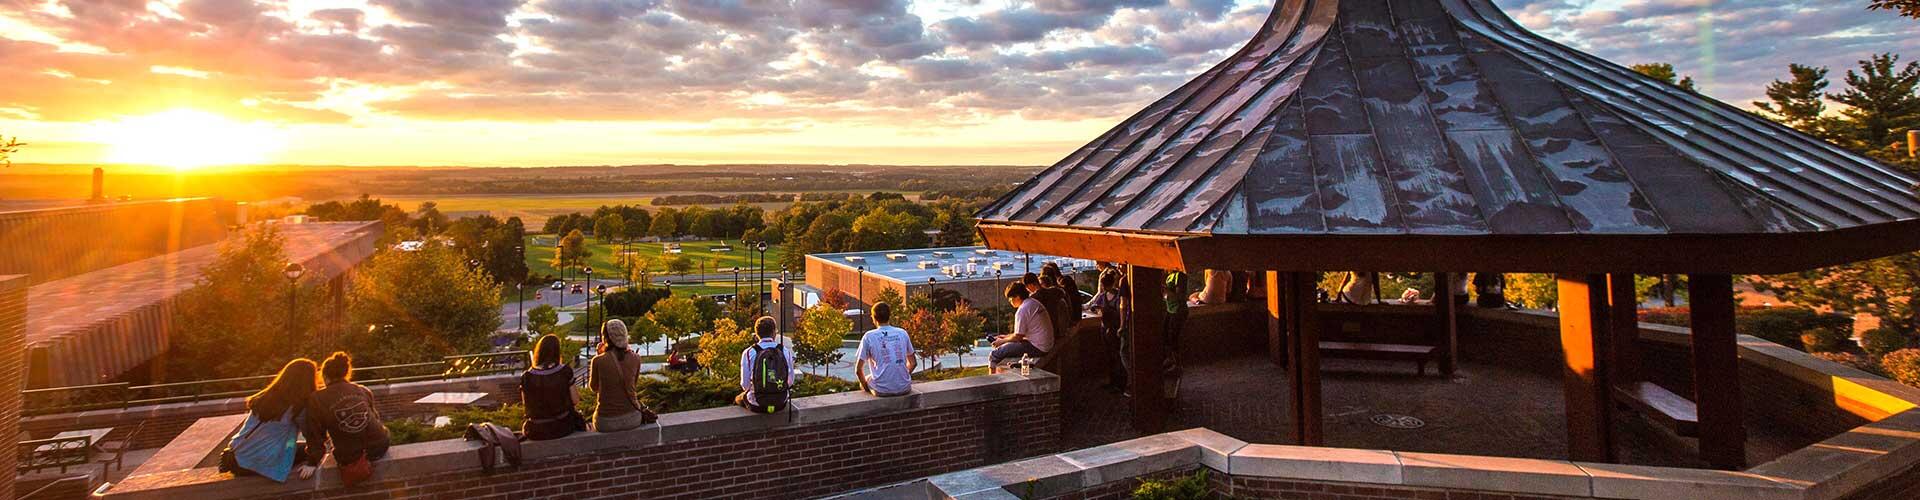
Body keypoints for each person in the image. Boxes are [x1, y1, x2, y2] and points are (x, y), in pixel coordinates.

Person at [227, 359, 318, 482]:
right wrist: (312, 463)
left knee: (295, 445)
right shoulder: (297, 406)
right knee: (312, 450)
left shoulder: (265, 397)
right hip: (260, 461)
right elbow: (311, 436)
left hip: (236, 457)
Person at [303, 352, 390, 479]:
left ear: (325, 376)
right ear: (346, 373)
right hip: (380, 446)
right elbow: (374, 419)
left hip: (351, 455)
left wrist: (312, 462)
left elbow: (315, 434)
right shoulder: (363, 390)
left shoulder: (317, 399)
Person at [588, 319, 654, 432]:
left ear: (605, 338)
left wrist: (600, 355)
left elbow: (594, 388)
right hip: (633, 418)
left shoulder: (598, 360)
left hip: (606, 421)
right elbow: (632, 385)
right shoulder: (636, 358)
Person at [521, 334, 585, 441]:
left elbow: (526, 404)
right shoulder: (564, 371)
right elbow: (575, 400)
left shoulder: (527, 376)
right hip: (562, 426)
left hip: (537, 429)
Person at [855, 302, 916, 397]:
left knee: (865, 380)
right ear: (889, 316)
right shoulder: (902, 333)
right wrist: (900, 377)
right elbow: (913, 363)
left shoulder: (869, 336)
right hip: (905, 387)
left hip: (882, 390)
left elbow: (858, 370)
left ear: (873, 318)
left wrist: (867, 388)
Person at [738, 316, 795, 413]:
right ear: (774, 332)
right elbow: (790, 381)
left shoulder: (748, 352)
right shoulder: (785, 351)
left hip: (757, 403)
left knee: (738, 399)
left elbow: (745, 385)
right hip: (781, 402)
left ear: (757, 334)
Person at [991, 282, 1054, 371]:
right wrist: (1005, 337)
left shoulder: (1023, 310)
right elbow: (1021, 333)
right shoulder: (1033, 303)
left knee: (995, 354)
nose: (1010, 301)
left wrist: (1001, 342)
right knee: (1006, 346)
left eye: (1010, 298)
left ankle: (993, 381)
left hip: (1037, 347)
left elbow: (1018, 337)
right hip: (1045, 344)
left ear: (1017, 297)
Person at [1086, 271, 1129, 395]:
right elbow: (1094, 306)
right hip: (1105, 329)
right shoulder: (1105, 295)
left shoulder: (1116, 296)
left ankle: (1120, 383)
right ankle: (1113, 381)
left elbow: (1121, 311)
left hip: (1114, 329)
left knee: (1117, 357)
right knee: (1109, 356)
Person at [1025, 272, 1073, 338]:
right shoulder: (1055, 292)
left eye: (1027, 287)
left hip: (1050, 333)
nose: (1028, 290)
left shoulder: (1033, 300)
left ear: (1030, 285)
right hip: (1061, 329)